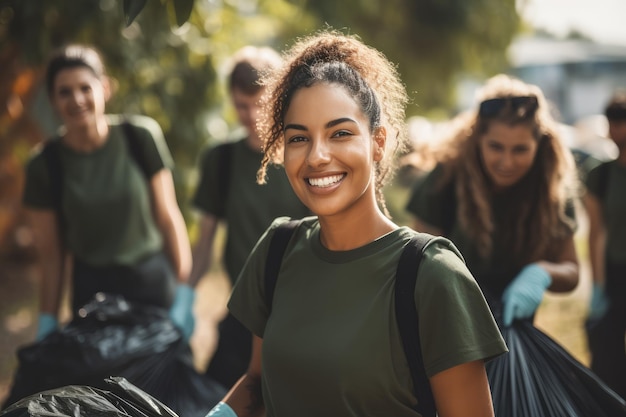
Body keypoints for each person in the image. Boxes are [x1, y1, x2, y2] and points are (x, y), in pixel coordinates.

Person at [204, 30, 508, 417]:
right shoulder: (276, 250)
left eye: (340, 133)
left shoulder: (431, 275)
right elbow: (257, 383)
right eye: (299, 138)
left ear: (378, 141)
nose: (316, 156)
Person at [22, 44, 194, 342]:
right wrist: (47, 319)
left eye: (85, 88)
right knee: (98, 386)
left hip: (151, 285)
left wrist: (185, 293)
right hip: (93, 293)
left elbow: (168, 218)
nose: (76, 99)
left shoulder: (139, 136)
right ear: (52, 100)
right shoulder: (44, 165)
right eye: (64, 92)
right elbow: (51, 256)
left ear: (104, 88)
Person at [406, 73, 580, 326]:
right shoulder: (445, 180)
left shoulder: (552, 189)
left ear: (539, 145)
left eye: (520, 150)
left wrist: (542, 273)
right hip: (449, 330)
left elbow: (571, 270)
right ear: (477, 140)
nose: (506, 162)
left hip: (514, 330)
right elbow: (416, 262)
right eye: (496, 147)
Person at [189, 45, 310, 389]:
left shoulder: (303, 156)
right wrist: (184, 297)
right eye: (242, 105)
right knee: (216, 394)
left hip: (296, 313)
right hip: (242, 313)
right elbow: (206, 239)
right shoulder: (222, 160)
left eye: (260, 104)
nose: (252, 115)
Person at [583, 90, 626, 398]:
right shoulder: (601, 175)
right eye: (613, 122)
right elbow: (597, 233)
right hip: (615, 272)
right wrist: (598, 287)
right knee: (607, 357)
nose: (618, 130)